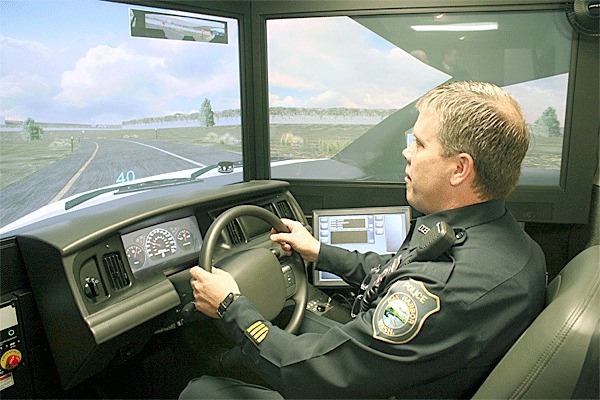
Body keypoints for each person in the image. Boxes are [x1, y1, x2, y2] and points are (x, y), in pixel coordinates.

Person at [181, 81, 547, 399]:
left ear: (460, 169)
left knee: (198, 390)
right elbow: (401, 272)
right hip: (411, 374)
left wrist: (230, 306)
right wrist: (319, 252)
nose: (407, 152)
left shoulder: (448, 292)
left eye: (419, 144)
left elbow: (309, 377)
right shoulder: (507, 241)